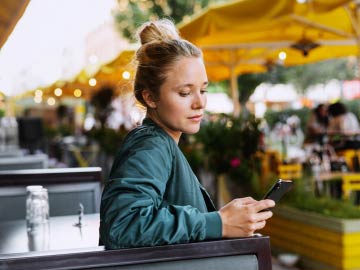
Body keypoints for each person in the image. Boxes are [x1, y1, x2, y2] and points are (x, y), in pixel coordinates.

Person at [99, 19, 275, 249]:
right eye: (185, 93)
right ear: (150, 97)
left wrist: (226, 220)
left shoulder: (162, 143)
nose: (200, 102)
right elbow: (122, 226)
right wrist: (218, 223)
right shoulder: (151, 145)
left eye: (203, 89)